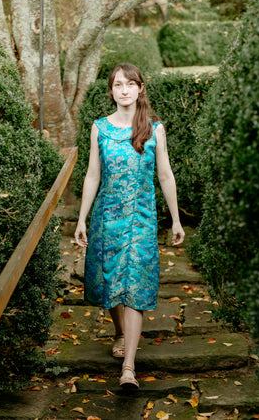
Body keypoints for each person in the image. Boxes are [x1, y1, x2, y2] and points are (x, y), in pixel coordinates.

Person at [74, 63, 185, 390]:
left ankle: (128, 367)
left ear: (140, 88)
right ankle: (120, 332)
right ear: (111, 91)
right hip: (107, 218)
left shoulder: (154, 129)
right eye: (118, 85)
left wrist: (176, 219)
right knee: (111, 285)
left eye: (130, 84)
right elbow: (93, 175)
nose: (124, 90)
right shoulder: (99, 128)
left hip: (141, 219)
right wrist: (81, 217)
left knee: (134, 285)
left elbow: (165, 175)